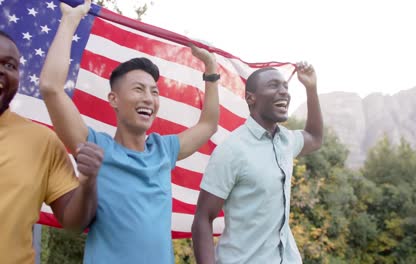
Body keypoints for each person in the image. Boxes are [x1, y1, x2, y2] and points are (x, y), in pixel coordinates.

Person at [39, 0, 220, 263]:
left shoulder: (163, 150)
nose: (149, 98)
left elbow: (208, 125)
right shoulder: (95, 147)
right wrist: (70, 20)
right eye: (138, 89)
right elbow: (51, 88)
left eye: (154, 92)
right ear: (113, 99)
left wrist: (210, 70)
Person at [192, 62, 323, 263]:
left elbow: (314, 138)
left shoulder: (286, 141)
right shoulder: (232, 150)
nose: (283, 92)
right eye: (273, 85)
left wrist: (311, 88)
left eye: (285, 87)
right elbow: (203, 218)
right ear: (251, 98)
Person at [0, 30, 103, 264]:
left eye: (10, 65)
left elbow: (74, 222)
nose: (2, 70)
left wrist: (88, 183)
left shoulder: (43, 141)